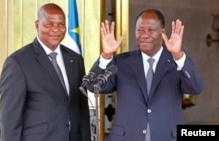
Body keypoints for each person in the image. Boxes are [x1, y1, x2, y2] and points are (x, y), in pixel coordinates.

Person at [87, 9, 204, 141]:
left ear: (163, 32)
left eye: (151, 30)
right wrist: (106, 55)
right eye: (140, 30)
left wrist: (177, 55)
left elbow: (196, 88)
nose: (144, 35)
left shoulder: (177, 62)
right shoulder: (121, 62)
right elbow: (93, 85)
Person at [0, 3, 91, 141]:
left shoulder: (75, 59)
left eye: (61, 24)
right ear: (37, 25)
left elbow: (81, 109)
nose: (56, 29)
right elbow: (10, 120)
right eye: (49, 24)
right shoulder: (18, 62)